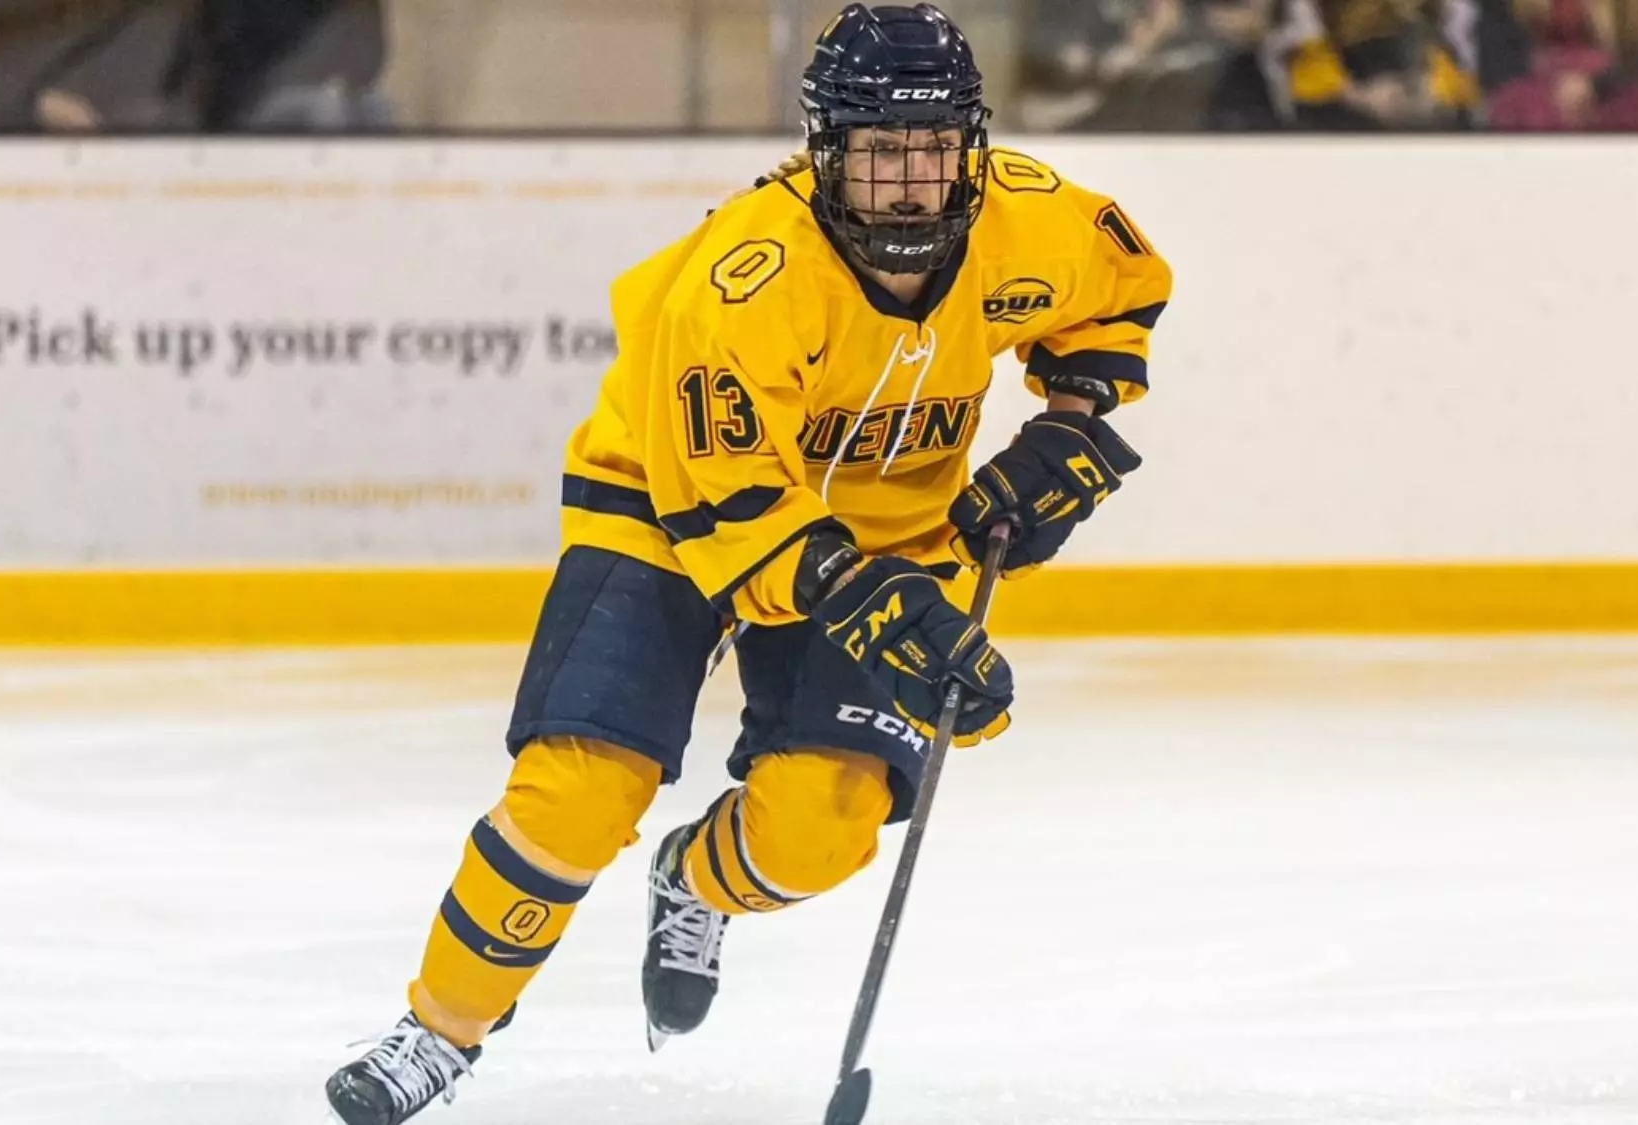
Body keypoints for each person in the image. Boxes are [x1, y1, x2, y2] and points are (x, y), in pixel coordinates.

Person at [323, 5, 1172, 1123]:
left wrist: (1067, 423)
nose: (910, 186)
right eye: (878, 156)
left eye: (930, 152)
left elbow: (1119, 293)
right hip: (667, 505)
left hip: (882, 528)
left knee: (819, 830)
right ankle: (440, 1028)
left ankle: (692, 880)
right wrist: (872, 608)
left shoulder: (1034, 223)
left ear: (969, 147)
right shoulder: (748, 279)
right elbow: (729, 511)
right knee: (581, 788)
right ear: (824, 155)